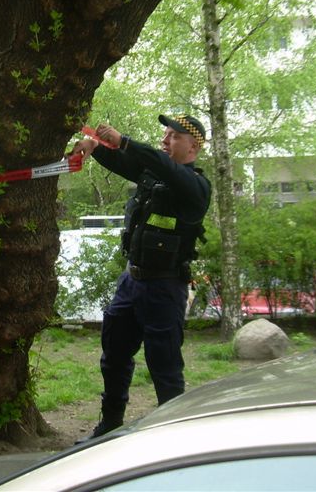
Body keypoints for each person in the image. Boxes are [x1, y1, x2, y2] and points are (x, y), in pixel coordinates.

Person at [70, 114, 211, 440]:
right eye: (165, 134)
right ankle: (110, 426)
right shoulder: (154, 175)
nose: (165, 140)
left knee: (165, 367)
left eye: (173, 136)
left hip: (165, 287)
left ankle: (173, 438)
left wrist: (124, 141)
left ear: (193, 147)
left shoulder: (195, 187)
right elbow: (126, 163)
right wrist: (95, 147)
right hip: (131, 282)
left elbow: (156, 163)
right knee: (114, 356)